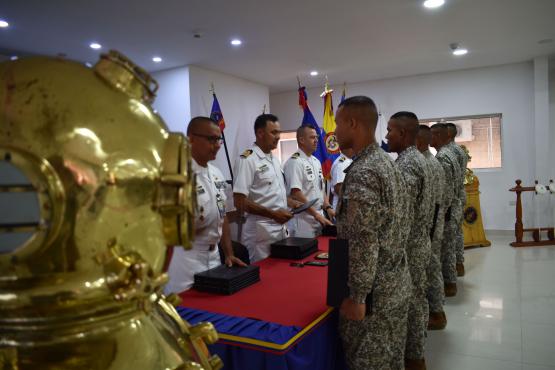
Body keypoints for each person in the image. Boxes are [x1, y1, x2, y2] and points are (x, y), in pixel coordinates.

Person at [334, 96, 411, 370]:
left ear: (352, 123)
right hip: (395, 284)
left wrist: (357, 296)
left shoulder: (364, 171)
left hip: (375, 299)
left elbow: (364, 241)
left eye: (338, 123)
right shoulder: (386, 163)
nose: (334, 132)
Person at [165, 117, 246, 294]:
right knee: (189, 314)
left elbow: (222, 216)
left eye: (219, 139)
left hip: (214, 257)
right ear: (191, 139)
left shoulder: (215, 173)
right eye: (211, 139)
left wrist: (229, 253)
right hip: (186, 261)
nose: (217, 145)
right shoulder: (176, 175)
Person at [386, 111, 433, 370]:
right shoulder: (417, 158)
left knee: (411, 303)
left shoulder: (406, 164)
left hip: (411, 246)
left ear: (403, 134)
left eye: (390, 130)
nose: (386, 135)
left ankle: (413, 358)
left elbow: (401, 215)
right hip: (420, 240)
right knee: (417, 300)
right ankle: (417, 354)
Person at [233, 114, 293, 262]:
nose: (278, 136)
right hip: (260, 232)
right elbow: (240, 202)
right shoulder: (247, 159)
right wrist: (273, 214)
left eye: (279, 132)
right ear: (260, 133)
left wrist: (291, 203)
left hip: (280, 229)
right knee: (265, 279)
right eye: (274, 132)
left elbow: (271, 194)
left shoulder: (274, 159)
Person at [416, 125, 447, 330]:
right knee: (433, 266)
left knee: (430, 267)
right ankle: (437, 309)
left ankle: (436, 312)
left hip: (429, 223)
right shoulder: (433, 161)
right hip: (436, 220)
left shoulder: (425, 163)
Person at [283, 126, 334, 237]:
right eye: (312, 137)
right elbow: (296, 193)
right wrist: (315, 214)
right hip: (303, 219)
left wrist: (328, 207)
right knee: (306, 252)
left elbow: (321, 188)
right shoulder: (295, 162)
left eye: (316, 137)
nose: (316, 140)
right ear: (301, 140)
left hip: (319, 215)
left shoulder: (315, 161)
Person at [430, 123, 461, 297]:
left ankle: (449, 283)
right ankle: (450, 281)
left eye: (433, 135)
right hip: (453, 206)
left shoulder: (443, 157)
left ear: (440, 136)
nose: (430, 139)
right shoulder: (448, 153)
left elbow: (446, 190)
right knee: (449, 247)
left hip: (448, 210)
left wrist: (442, 214)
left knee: (446, 249)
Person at [445, 122, 469, 276]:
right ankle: (459, 263)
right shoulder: (460, 150)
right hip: (460, 193)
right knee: (458, 231)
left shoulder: (448, 152)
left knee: (451, 234)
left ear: (447, 135)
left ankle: (454, 265)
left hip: (453, 196)